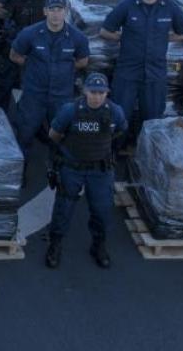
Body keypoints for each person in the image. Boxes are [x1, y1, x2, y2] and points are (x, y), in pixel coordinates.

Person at [100, 0, 183, 143]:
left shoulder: (169, 6)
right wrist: (122, 37)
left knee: (153, 119)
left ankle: (147, 155)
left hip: (155, 74)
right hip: (127, 72)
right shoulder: (127, 5)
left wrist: (166, 38)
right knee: (120, 117)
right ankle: (114, 153)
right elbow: (105, 31)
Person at [45, 72, 126, 269]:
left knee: (102, 210)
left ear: (107, 93)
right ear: (85, 91)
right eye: (93, 92)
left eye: (101, 92)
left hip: (100, 170)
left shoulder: (115, 112)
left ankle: (98, 245)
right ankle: (55, 245)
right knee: (63, 209)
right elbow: (54, 134)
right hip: (72, 168)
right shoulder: (70, 111)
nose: (97, 96)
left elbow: (119, 132)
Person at [8, 0, 90, 156]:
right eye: (52, 9)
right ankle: (23, 173)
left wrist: (64, 69)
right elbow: (14, 55)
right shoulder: (30, 33)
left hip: (61, 96)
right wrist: (33, 66)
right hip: (34, 94)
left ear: (66, 11)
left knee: (61, 136)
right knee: (25, 133)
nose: (55, 13)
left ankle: (57, 173)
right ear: (45, 11)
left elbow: (83, 61)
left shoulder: (77, 37)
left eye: (59, 9)